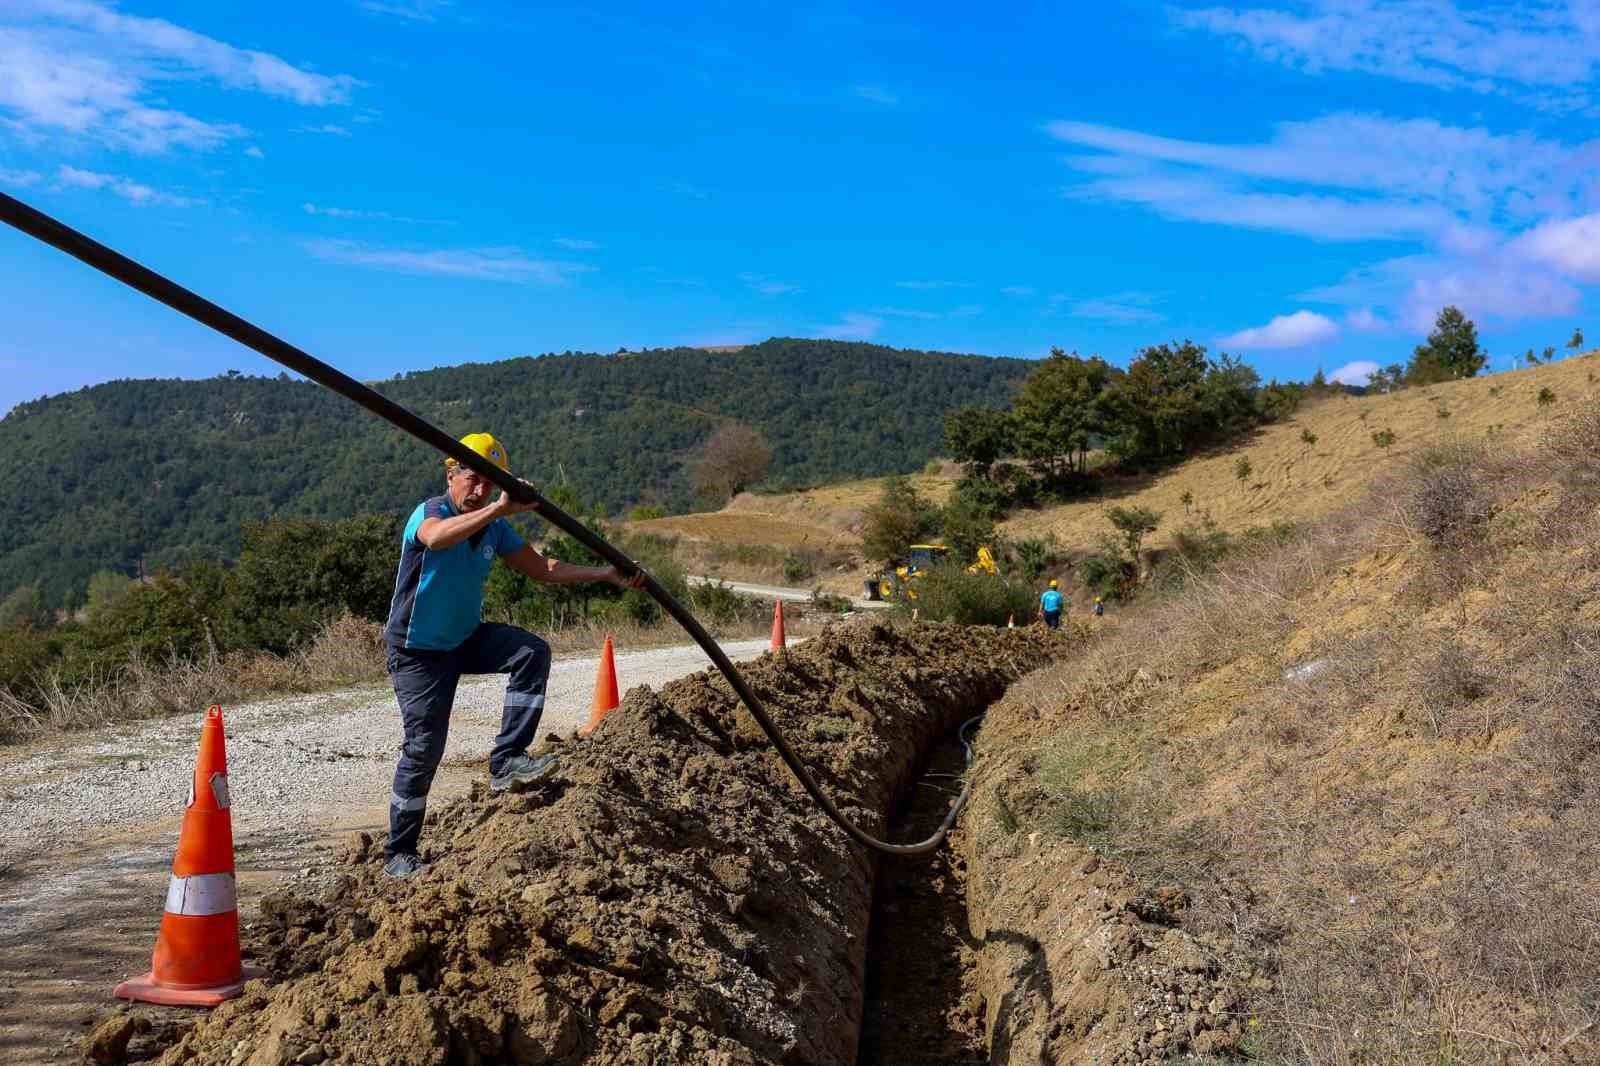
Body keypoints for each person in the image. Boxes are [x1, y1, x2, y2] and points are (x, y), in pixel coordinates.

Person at [381, 433, 641, 880]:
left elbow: (542, 568)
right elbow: (437, 539)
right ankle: (399, 853)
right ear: (451, 474)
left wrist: (606, 574)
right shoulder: (432, 512)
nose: (478, 490)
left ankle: (506, 760)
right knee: (424, 749)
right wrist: (500, 506)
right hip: (418, 652)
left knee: (530, 652)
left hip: (464, 639)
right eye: (471, 478)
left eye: (488, 484)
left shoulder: (495, 528)